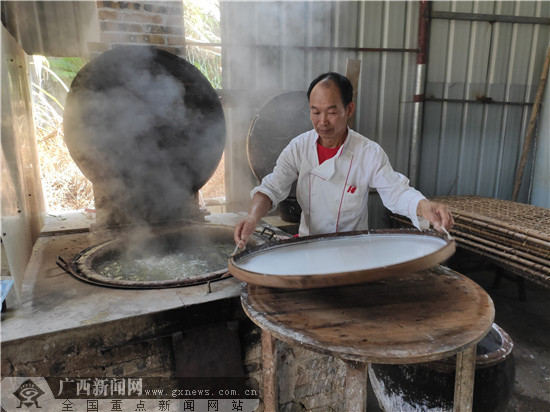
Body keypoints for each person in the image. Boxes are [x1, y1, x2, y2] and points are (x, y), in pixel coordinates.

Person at [234, 72, 454, 247]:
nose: (322, 122)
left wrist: (424, 206)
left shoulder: (368, 152)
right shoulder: (299, 148)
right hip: (308, 248)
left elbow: (396, 192)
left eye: (331, 112)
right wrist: (252, 218)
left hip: (353, 251)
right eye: (315, 112)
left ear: (349, 109)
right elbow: (272, 187)